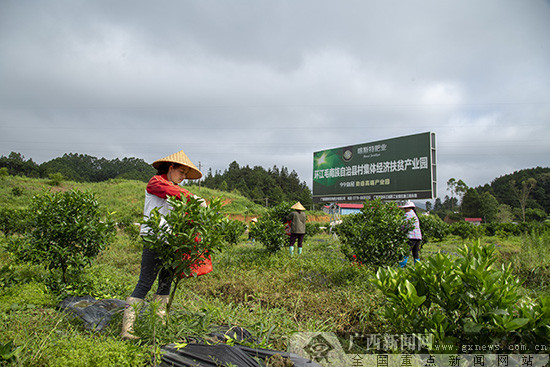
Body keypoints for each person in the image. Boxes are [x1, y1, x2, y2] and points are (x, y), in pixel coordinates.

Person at [121, 150, 203, 340]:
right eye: (181, 172)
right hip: (154, 240)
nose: (183, 177)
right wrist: (195, 199)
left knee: (165, 283)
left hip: (171, 242)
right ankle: (128, 329)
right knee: (145, 282)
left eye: (185, 175)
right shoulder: (156, 182)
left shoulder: (176, 189)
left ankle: (159, 326)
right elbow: (175, 192)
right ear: (171, 168)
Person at [398, 200, 422, 268]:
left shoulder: (407, 214)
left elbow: (404, 226)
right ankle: (418, 268)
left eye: (405, 208)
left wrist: (399, 231)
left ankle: (400, 267)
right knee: (415, 254)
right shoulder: (414, 214)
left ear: (409, 208)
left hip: (411, 237)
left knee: (406, 252)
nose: (405, 210)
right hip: (418, 237)